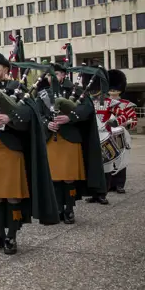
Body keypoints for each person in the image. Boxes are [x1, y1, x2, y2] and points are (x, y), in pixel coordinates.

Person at [0, 50, 58, 255]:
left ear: (6, 70)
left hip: (11, 150)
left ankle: (12, 236)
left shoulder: (18, 89)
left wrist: (10, 118)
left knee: (14, 196)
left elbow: (28, 114)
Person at [39, 63, 105, 223]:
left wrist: (70, 117)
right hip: (51, 139)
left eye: (57, 74)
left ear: (64, 75)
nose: (53, 77)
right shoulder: (43, 94)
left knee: (69, 177)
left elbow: (87, 109)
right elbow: (38, 113)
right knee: (54, 177)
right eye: (49, 75)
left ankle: (69, 209)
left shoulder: (75, 91)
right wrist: (46, 123)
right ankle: (58, 208)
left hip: (70, 138)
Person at [104, 70, 135, 194]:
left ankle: (119, 184)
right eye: (111, 89)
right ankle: (109, 184)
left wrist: (125, 123)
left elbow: (133, 121)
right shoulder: (104, 103)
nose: (112, 91)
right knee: (108, 159)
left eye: (115, 89)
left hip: (121, 133)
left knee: (121, 159)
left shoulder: (126, 105)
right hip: (106, 133)